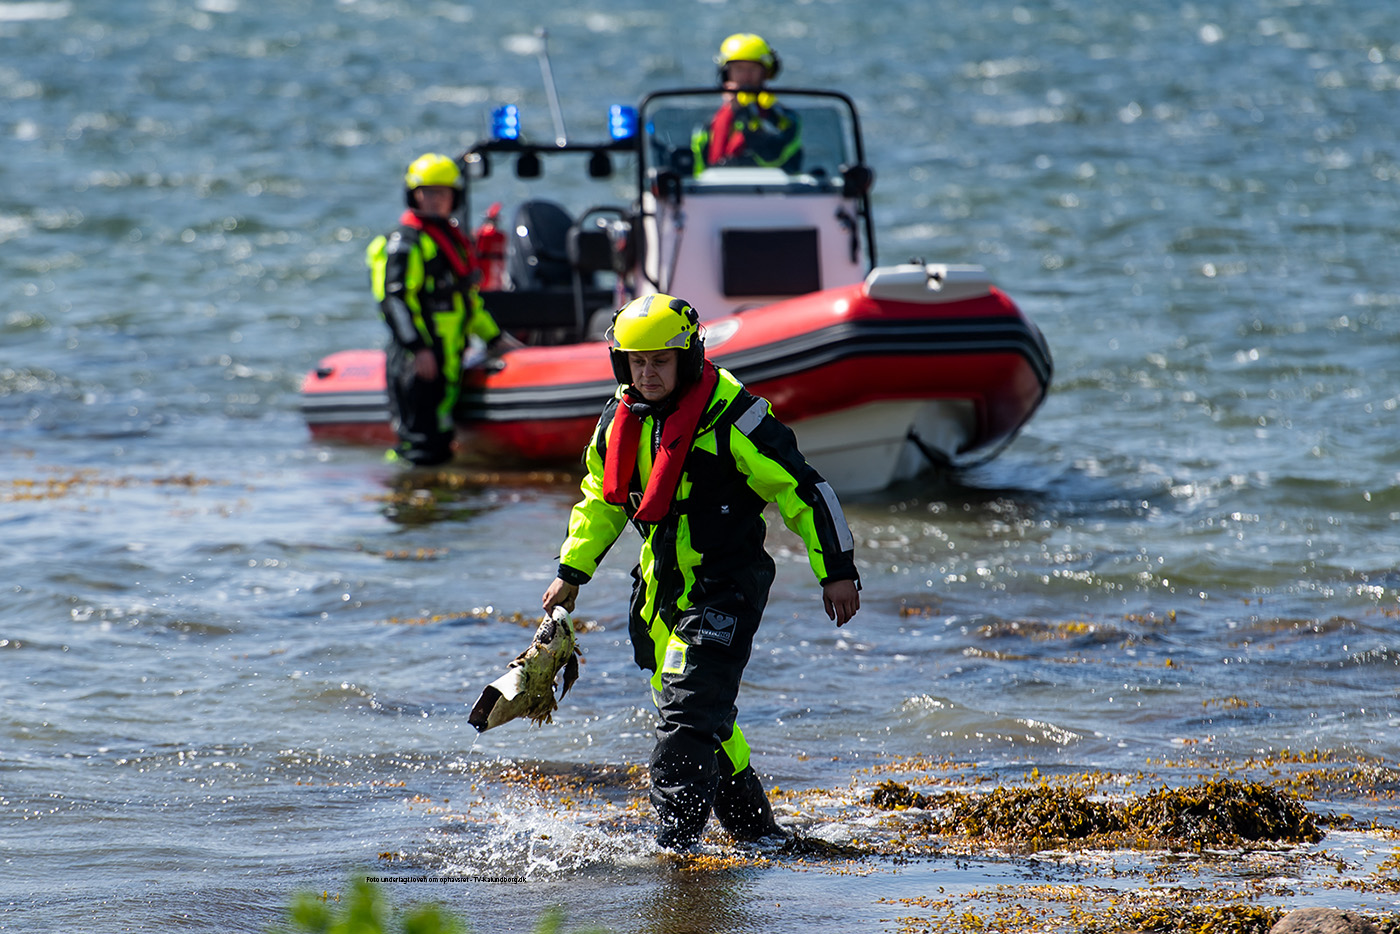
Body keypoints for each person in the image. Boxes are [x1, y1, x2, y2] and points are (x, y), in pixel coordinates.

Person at [541, 293, 860, 850]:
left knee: (686, 718)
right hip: (661, 590)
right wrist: (572, 570)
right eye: (637, 362)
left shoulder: (732, 416)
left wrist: (835, 570)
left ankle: (675, 850)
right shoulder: (619, 420)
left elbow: (803, 491)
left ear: (688, 357)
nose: (648, 373)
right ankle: (756, 833)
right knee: (701, 713)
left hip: (726, 587)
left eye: (660, 361)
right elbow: (600, 498)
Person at [366, 152, 521, 466]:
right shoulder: (406, 243)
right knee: (421, 441)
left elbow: (468, 302)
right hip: (419, 357)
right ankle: (410, 499)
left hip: (448, 354)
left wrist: (493, 339)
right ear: (414, 195)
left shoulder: (448, 240)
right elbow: (394, 300)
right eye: (429, 192)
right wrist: (417, 348)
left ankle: (437, 504)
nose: (436, 200)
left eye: (443, 193)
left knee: (440, 439)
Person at [691, 33, 803, 173]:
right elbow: (700, 173)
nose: (746, 76)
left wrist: (742, 112)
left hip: (776, 192)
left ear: (765, 73)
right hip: (718, 192)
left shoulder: (785, 120)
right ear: (726, 74)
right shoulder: (709, 125)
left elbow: (772, 156)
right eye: (739, 69)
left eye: (753, 69)